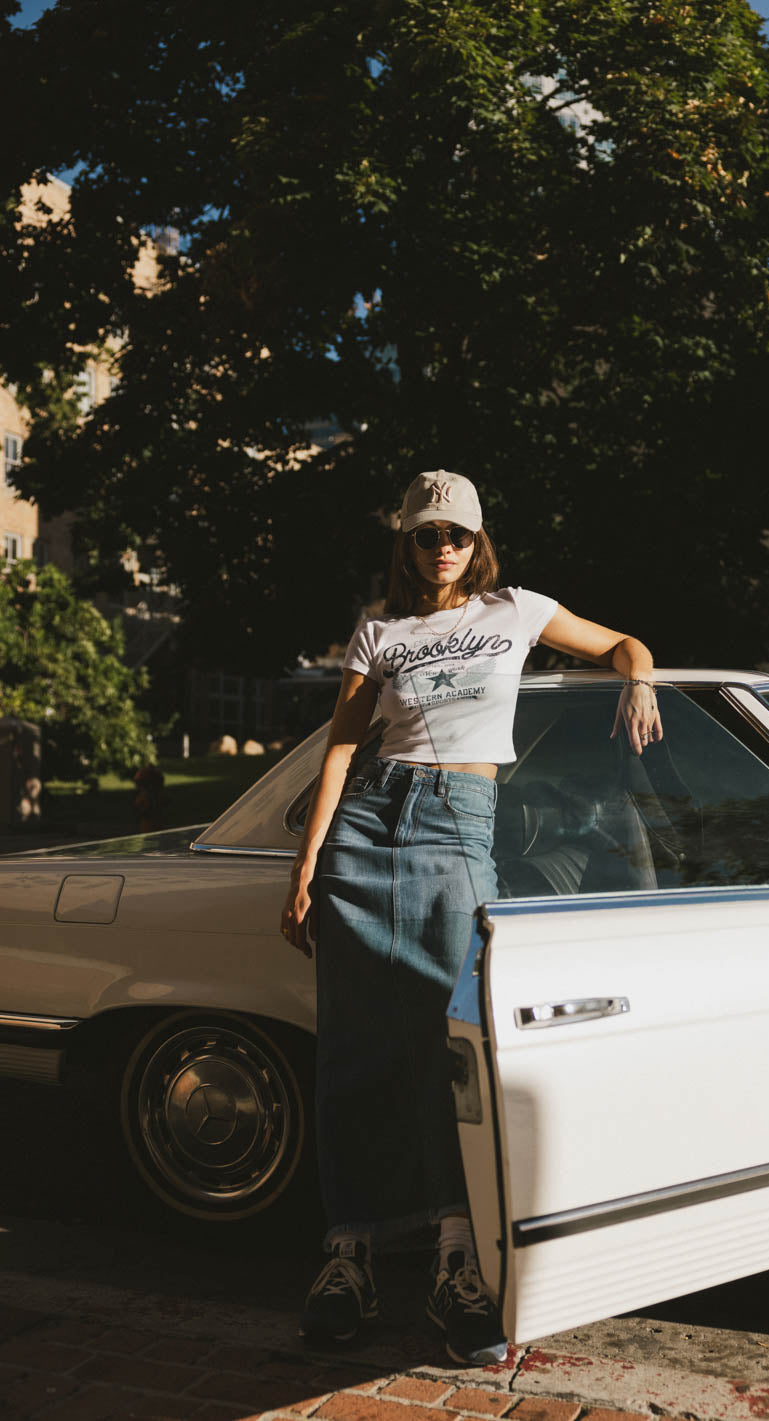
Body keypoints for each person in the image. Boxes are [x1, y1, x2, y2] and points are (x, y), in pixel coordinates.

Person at [282, 469, 661, 1365]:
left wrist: (637, 679)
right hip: (367, 829)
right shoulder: (380, 631)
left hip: (460, 824)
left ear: (476, 540)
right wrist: (303, 871)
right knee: (353, 1044)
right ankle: (349, 1252)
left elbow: (620, 643)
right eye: (425, 534)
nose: (442, 546)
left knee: (444, 1041)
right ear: (406, 542)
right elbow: (341, 749)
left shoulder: (517, 609)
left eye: (456, 533)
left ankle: (458, 1256)